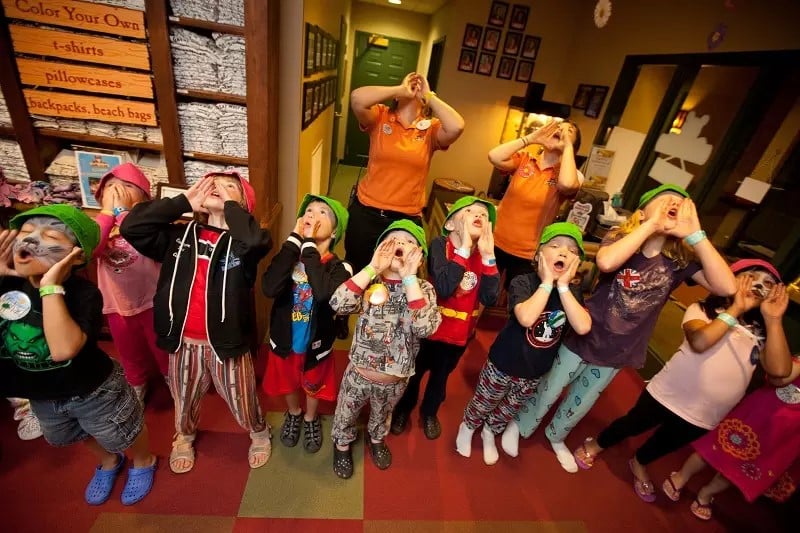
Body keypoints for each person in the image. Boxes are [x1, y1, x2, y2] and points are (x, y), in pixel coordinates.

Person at [512, 184, 736, 473]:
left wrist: (696, 235)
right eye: (666, 200)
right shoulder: (622, 237)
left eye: (680, 204)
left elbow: (727, 287)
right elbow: (606, 262)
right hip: (585, 335)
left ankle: (557, 435)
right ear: (641, 213)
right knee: (551, 387)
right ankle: (523, 424)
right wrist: (651, 225)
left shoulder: (680, 261)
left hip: (620, 350)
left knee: (582, 400)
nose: (674, 205)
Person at [572, 259, 790, 502]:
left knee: (666, 443)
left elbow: (780, 372)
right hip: (668, 394)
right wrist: (736, 309)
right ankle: (599, 443)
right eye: (751, 277)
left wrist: (773, 321)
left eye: (767, 284)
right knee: (632, 423)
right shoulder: (704, 310)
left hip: (707, 413)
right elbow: (700, 342)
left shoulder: (760, 333)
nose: (758, 286)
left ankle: (640, 461)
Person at [0, 206, 157, 505]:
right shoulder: (7, 286)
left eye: (50, 236)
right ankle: (109, 461)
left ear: (76, 256)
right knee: (70, 433)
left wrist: (49, 288)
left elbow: (63, 349)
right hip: (41, 394)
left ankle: (143, 460)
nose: (30, 241)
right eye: (25, 232)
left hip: (92, 390)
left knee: (122, 431)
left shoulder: (83, 294)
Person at [120, 171, 273, 474]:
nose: (217, 188)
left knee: (241, 397)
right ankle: (184, 435)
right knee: (184, 395)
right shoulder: (178, 235)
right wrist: (183, 202)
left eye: (229, 187)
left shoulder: (243, 244)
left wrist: (231, 208)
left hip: (226, 343)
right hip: (183, 341)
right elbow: (131, 227)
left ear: (243, 205)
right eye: (211, 184)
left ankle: (258, 430)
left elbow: (255, 239)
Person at [455, 222, 591, 464]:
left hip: (534, 371)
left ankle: (490, 431)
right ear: (538, 255)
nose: (563, 252)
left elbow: (582, 326)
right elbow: (527, 317)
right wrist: (547, 283)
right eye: (555, 246)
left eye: (572, 251)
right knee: (485, 401)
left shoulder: (571, 293)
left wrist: (562, 287)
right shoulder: (523, 282)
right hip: (503, 363)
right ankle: (468, 426)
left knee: (510, 407)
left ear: (577, 263)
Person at [329, 220, 441, 479]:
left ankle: (376, 438)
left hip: (395, 379)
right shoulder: (370, 281)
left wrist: (410, 278)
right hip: (358, 374)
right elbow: (337, 303)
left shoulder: (423, 289)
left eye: (409, 241)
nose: (400, 243)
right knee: (346, 411)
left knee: (383, 413)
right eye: (393, 239)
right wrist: (371, 267)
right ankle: (342, 443)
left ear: (419, 256)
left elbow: (425, 328)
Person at [391, 196, 500, 440]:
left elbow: (490, 298)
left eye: (484, 215)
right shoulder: (440, 245)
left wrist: (489, 257)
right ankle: (404, 409)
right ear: (451, 224)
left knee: (440, 379)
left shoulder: (485, 256)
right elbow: (444, 286)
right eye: (470, 211)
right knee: (413, 375)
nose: (479, 216)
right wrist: (463, 250)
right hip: (428, 333)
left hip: (458, 337)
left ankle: (429, 412)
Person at [345, 72, 464, 274]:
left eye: (420, 88)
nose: (415, 88)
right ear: (397, 97)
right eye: (410, 86)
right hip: (366, 214)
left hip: (405, 220)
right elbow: (357, 98)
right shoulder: (380, 116)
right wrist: (400, 89)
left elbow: (457, 126)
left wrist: (430, 96)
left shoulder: (431, 128)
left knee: (399, 277)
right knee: (358, 271)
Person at [262, 194, 352, 454]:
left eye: (323, 212)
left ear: (334, 232)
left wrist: (309, 245)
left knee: (314, 384)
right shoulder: (290, 256)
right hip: (285, 339)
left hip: (316, 344)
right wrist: (294, 241)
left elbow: (323, 294)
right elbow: (269, 287)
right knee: (288, 381)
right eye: (309, 210)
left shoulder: (341, 268)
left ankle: (311, 417)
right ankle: (294, 412)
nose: (313, 215)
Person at [664, 348, 799, 521]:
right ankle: (681, 476)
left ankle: (706, 493)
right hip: (761, 413)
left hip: (787, 433)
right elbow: (780, 377)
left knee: (740, 466)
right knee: (716, 447)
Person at [94, 162, 168, 403]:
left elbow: (148, 238)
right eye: (110, 186)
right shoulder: (99, 225)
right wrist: (108, 214)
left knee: (162, 346)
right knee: (128, 349)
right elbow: (92, 248)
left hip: (152, 302)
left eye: (127, 186)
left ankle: (172, 377)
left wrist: (124, 214)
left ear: (143, 197)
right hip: (116, 304)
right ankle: (137, 382)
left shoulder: (148, 223)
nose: (117, 190)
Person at [488, 119, 583, 289]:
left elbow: (567, 184)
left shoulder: (572, 175)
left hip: (528, 253)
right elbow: (494, 156)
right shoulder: (525, 159)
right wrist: (531, 138)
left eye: (568, 131)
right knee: (483, 293)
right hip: (494, 241)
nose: (561, 131)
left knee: (518, 299)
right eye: (558, 128)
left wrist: (567, 146)